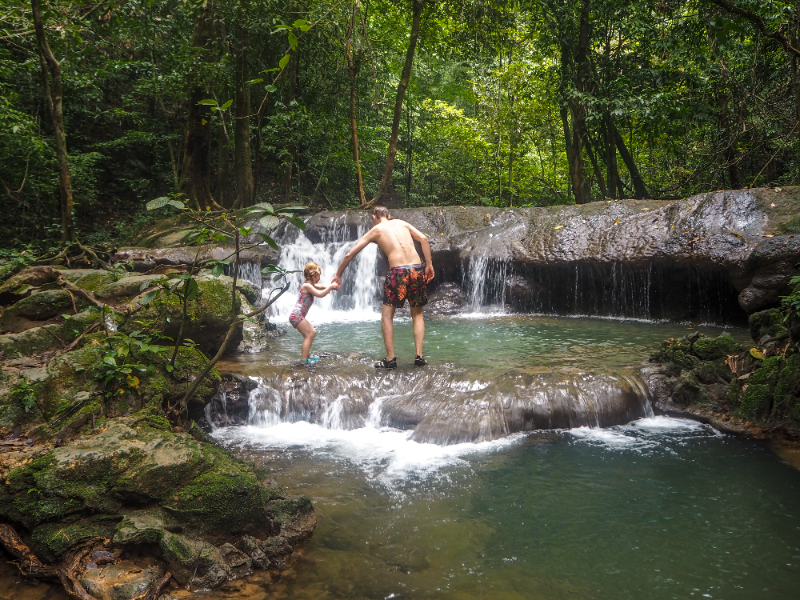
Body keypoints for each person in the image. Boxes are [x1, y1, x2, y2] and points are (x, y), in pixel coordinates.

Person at [333, 205, 434, 368]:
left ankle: (390, 359)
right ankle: (419, 356)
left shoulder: (376, 230)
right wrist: (429, 265)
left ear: (374, 217)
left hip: (397, 272)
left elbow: (349, 254)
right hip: (416, 270)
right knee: (417, 315)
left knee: (387, 316)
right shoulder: (402, 223)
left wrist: (338, 275)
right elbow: (424, 239)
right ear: (389, 215)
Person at [289, 262, 339, 364]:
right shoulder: (307, 286)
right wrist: (330, 287)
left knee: (311, 333)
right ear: (314, 274)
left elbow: (320, 286)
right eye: (319, 274)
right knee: (310, 333)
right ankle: (304, 360)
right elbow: (320, 294)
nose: (320, 277)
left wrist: (330, 286)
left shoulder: (311, 285)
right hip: (296, 315)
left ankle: (306, 356)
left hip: (298, 315)